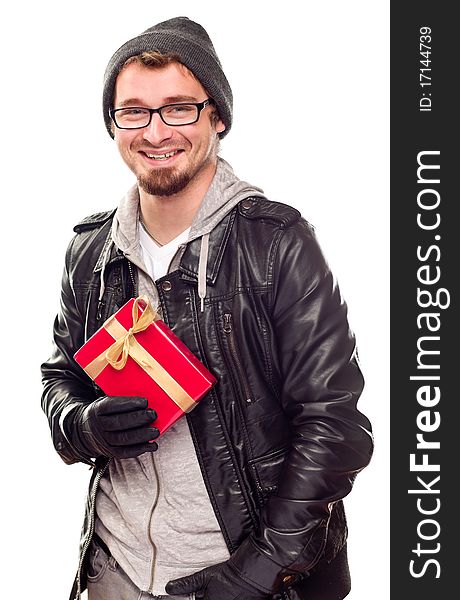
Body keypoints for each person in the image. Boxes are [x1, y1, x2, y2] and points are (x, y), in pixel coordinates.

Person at [41, 16, 373, 600]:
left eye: (179, 108)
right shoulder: (89, 250)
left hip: (244, 574)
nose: (155, 130)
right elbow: (60, 378)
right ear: (113, 124)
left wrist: (261, 572)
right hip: (112, 570)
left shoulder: (277, 243)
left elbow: (336, 426)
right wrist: (82, 424)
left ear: (216, 117)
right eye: (134, 111)